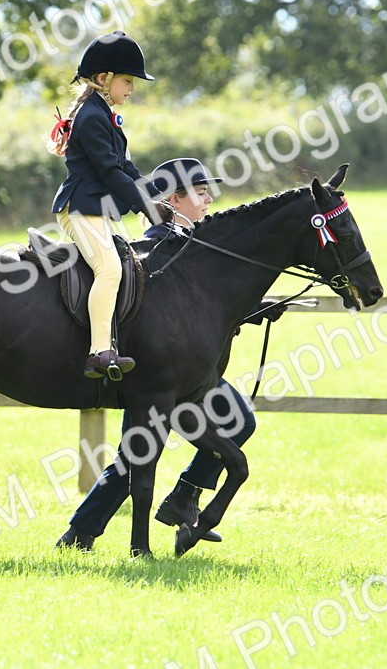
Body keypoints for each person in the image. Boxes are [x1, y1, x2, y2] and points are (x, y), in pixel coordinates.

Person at [56, 158, 284, 550]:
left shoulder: (192, 242)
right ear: (174, 200)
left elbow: (206, 302)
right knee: (136, 457)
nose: (209, 198)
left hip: (190, 372)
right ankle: (82, 531)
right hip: (157, 371)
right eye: (199, 192)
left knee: (239, 421)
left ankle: (184, 496)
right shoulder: (162, 242)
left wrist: (255, 307)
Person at [49, 31, 158, 380]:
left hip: (95, 208)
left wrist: (152, 196)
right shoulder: (93, 117)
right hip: (79, 208)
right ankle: (100, 352)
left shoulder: (102, 113)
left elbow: (125, 167)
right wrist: (144, 207)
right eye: (128, 81)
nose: (133, 88)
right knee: (109, 269)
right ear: (103, 79)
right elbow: (111, 173)